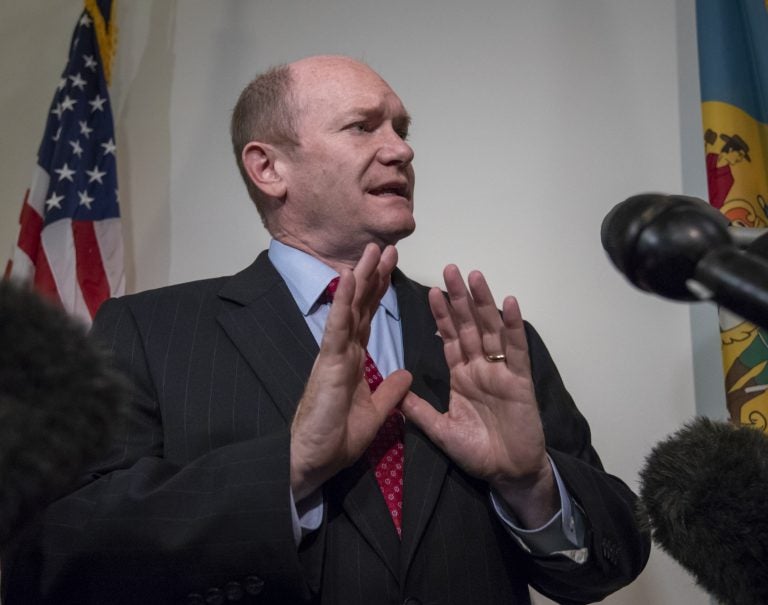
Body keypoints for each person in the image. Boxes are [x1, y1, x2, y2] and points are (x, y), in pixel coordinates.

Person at [1, 55, 650, 605]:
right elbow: (54, 554)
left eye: (400, 127)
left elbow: (616, 552)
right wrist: (285, 471)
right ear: (268, 168)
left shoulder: (486, 339)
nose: (401, 147)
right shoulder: (150, 331)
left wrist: (529, 484)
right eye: (363, 126)